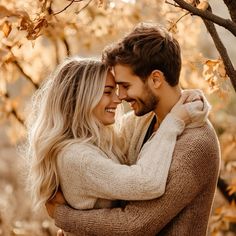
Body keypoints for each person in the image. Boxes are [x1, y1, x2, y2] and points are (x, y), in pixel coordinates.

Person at [46, 23, 220, 236]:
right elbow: (98, 157)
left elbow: (135, 224)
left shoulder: (196, 144)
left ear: (156, 79)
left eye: (125, 86)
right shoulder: (142, 123)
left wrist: (63, 216)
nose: (120, 96)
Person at [26, 56, 203, 214]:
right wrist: (174, 121)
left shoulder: (98, 139)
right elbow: (148, 183)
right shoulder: (76, 157)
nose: (118, 99)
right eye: (107, 91)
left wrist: (182, 98)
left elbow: (140, 118)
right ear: (82, 99)